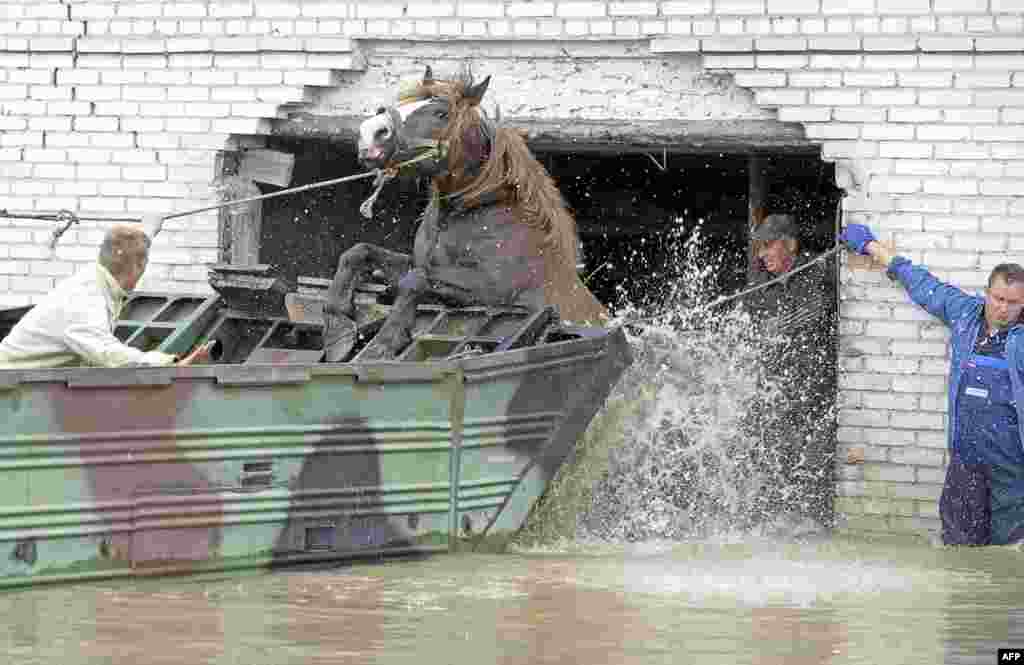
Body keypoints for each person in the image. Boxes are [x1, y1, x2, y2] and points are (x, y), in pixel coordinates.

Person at [841, 223, 1024, 546]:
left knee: (1010, 550)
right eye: (998, 298)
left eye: (1014, 302)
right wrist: (871, 246)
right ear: (986, 293)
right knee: (958, 546)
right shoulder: (966, 314)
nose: (1004, 308)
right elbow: (921, 283)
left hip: (1011, 468)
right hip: (965, 459)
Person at [0, 220, 211, 369]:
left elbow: (128, 248)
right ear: (139, 266)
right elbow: (108, 354)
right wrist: (169, 363)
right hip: (10, 389)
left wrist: (148, 229)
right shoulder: (86, 299)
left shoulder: (98, 276)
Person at [741, 213, 838, 529]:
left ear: (791, 245)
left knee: (812, 475)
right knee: (776, 473)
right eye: (760, 248)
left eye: (768, 246)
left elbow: (824, 305)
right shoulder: (760, 291)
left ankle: (816, 532)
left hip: (820, 400)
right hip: (783, 402)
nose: (762, 254)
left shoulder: (817, 270)